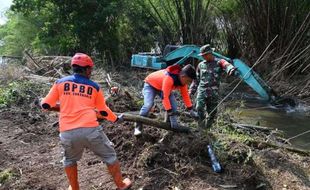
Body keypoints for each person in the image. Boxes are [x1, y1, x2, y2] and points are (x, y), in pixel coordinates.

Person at [40, 53, 132, 190]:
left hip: (67, 132)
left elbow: (46, 104)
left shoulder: (60, 83)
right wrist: (115, 119)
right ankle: (121, 185)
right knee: (110, 156)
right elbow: (103, 110)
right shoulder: (94, 87)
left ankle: (74, 187)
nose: (91, 72)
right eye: (91, 70)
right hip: (91, 130)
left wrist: (42, 103)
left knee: (70, 160)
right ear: (87, 69)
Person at [134, 64, 198, 136]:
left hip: (162, 87)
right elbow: (165, 97)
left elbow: (185, 95)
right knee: (148, 105)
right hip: (150, 85)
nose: (188, 83)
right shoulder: (169, 78)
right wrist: (172, 116)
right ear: (183, 76)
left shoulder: (182, 82)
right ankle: (138, 127)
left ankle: (168, 124)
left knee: (174, 105)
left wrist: (191, 110)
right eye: (188, 81)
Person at [190, 44, 238, 128]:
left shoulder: (219, 62)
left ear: (210, 53)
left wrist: (231, 69)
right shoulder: (200, 65)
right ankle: (201, 127)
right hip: (202, 91)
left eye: (205, 55)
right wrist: (191, 90)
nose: (203, 57)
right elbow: (196, 79)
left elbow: (227, 65)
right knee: (199, 108)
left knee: (212, 112)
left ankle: (207, 128)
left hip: (213, 92)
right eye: (202, 55)